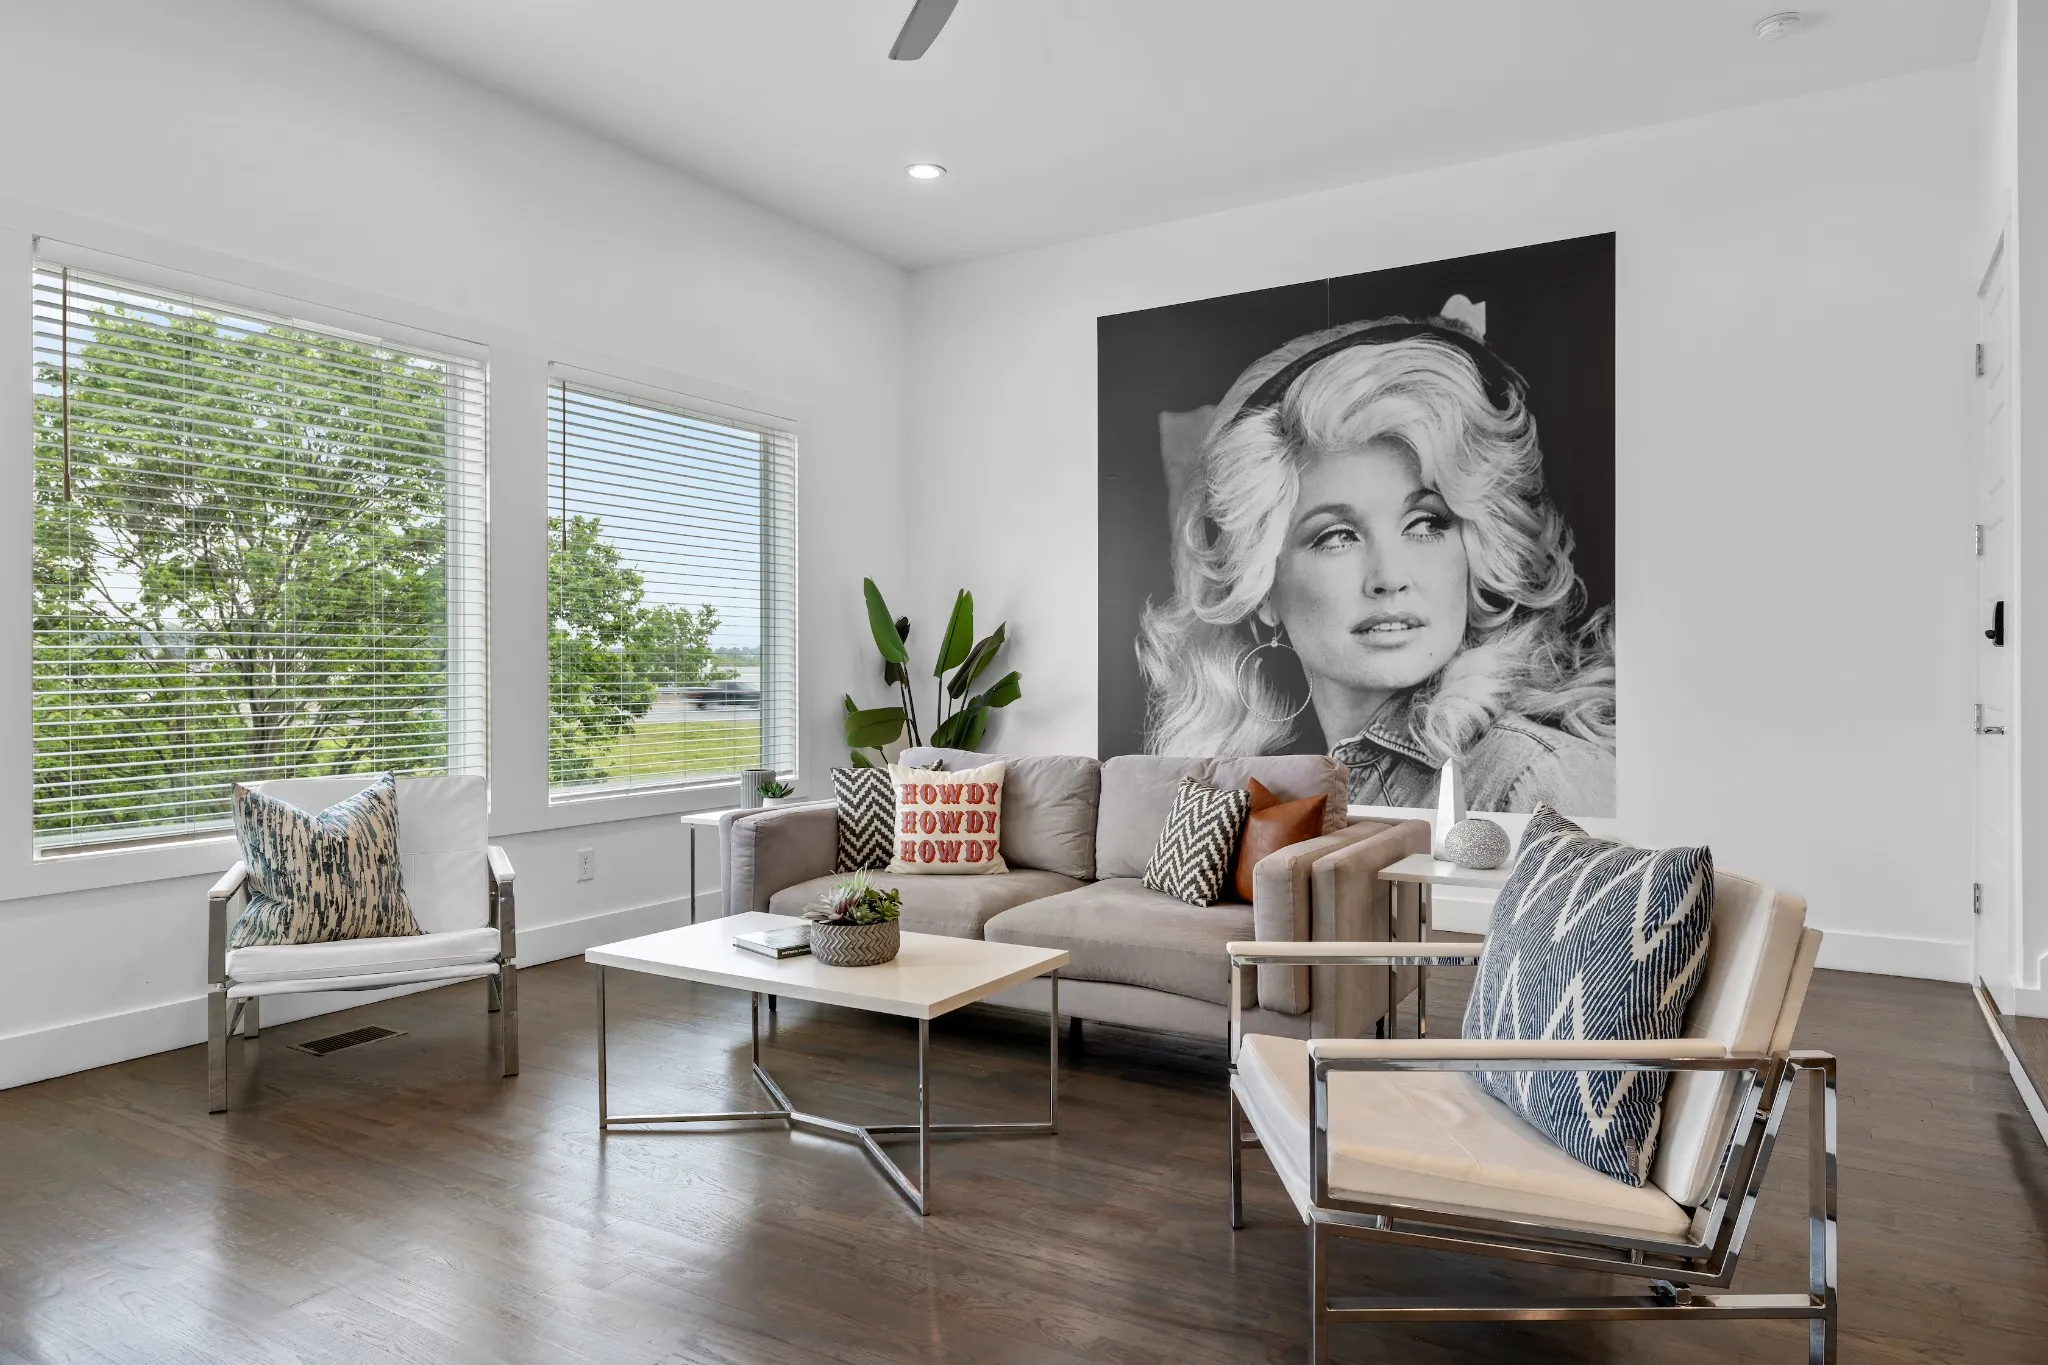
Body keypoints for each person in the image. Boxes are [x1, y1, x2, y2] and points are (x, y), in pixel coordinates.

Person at [1136, 313, 1614, 815]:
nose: (1390, 578)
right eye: (1336, 536)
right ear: (1262, 589)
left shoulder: (1534, 777)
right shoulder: (1260, 781)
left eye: (1425, 523)